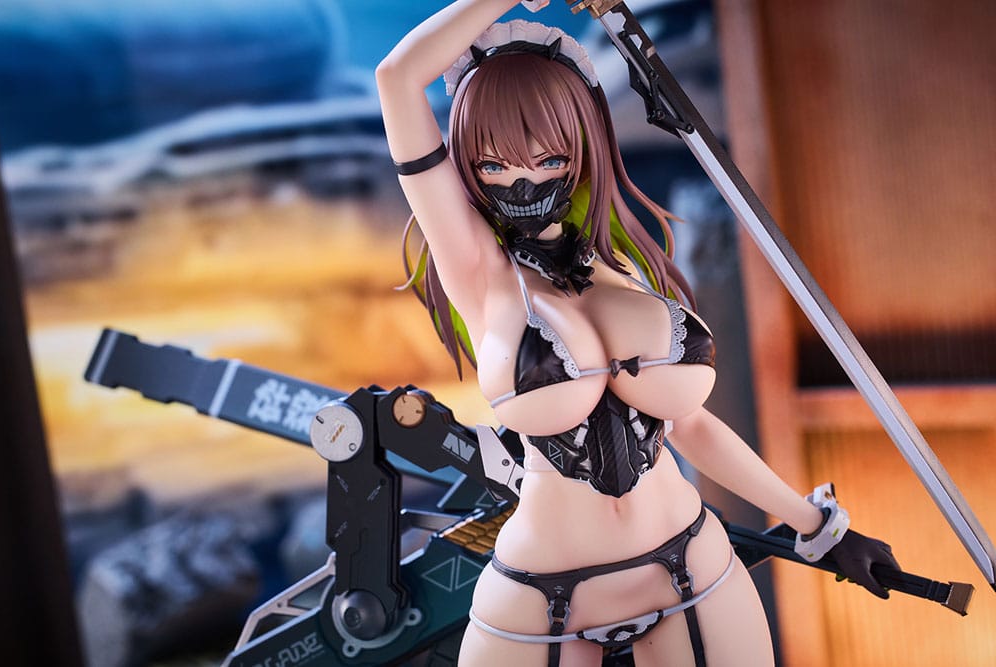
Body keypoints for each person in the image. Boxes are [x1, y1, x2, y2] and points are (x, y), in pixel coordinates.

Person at [376, 2, 898, 665]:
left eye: (544, 157)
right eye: (493, 166)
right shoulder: (479, 271)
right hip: (544, 596)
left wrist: (818, 526)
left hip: (690, 563)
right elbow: (397, 79)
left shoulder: (620, 266)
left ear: (581, 146)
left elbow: (690, 426)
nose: (521, 181)